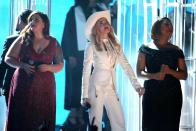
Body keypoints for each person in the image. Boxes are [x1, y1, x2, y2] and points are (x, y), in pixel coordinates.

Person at [81, 10, 144, 131]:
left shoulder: (115, 45)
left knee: (119, 121)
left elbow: (126, 66)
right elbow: (86, 70)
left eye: (106, 22)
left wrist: (137, 86)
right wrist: (84, 96)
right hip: (96, 88)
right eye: (101, 22)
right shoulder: (91, 45)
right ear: (95, 28)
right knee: (95, 124)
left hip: (111, 87)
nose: (105, 24)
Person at [4, 11, 64, 131]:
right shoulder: (23, 39)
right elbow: (8, 58)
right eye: (31, 19)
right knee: (21, 119)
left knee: (42, 119)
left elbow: (60, 65)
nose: (32, 22)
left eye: (36, 19)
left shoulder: (54, 42)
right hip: (23, 87)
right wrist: (22, 65)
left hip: (45, 89)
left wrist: (48, 67)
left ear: (44, 24)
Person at [136, 17, 188, 131]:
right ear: (158, 27)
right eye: (166, 24)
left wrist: (170, 71)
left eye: (171, 25)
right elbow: (139, 72)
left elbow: (184, 75)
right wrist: (154, 75)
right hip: (151, 94)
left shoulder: (176, 50)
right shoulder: (145, 48)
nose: (170, 27)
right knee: (150, 126)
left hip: (172, 95)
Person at [61, 0, 98, 130]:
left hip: (91, 54)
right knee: (75, 85)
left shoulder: (96, 11)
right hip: (76, 55)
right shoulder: (73, 12)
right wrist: (69, 54)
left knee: (87, 85)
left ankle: (82, 114)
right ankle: (74, 115)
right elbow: (67, 33)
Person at [0, 9, 32, 106]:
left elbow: (3, 64)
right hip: (30, 85)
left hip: (11, 84)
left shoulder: (11, 40)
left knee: (12, 117)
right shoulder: (38, 41)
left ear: (22, 21)